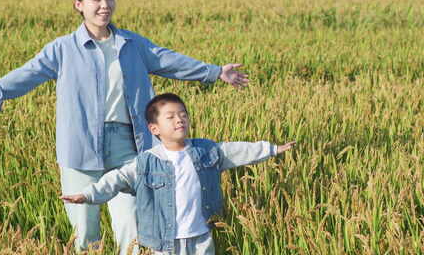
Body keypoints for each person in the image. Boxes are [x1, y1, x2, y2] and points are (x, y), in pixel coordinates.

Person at [0, 0, 249, 255]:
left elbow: (169, 60)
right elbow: (28, 74)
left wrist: (214, 72)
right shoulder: (63, 48)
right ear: (79, 5)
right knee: (84, 232)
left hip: (129, 146)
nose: (104, 5)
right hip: (80, 148)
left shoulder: (132, 44)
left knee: (131, 226)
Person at [61, 93, 296, 255]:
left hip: (201, 236)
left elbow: (237, 150)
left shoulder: (205, 151)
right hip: (164, 242)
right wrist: (88, 195)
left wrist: (272, 149)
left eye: (183, 114)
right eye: (170, 117)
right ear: (154, 129)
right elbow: (116, 179)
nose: (179, 120)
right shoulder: (146, 162)